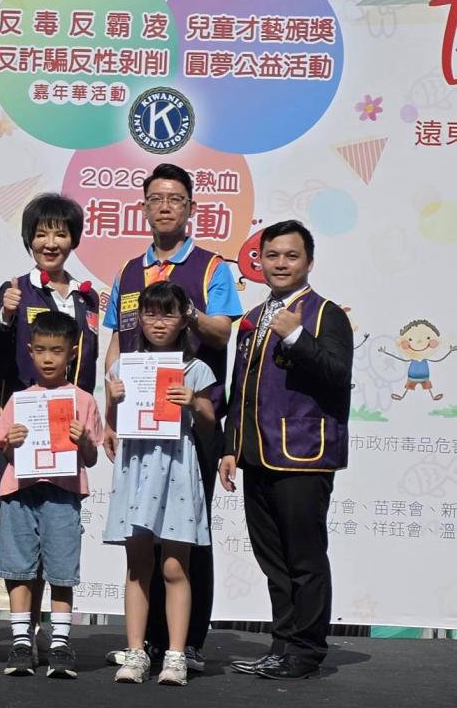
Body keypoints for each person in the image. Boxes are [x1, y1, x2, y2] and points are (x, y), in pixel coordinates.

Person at [102, 163, 241, 672]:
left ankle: (188, 644)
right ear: (144, 207)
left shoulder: (210, 267)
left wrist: (186, 312)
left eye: (175, 199)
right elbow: (117, 339)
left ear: (190, 208)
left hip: (192, 421)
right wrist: (109, 405)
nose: (165, 207)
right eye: (156, 199)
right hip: (138, 423)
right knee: (142, 535)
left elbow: (223, 331)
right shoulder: (127, 271)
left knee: (187, 535)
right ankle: (145, 645)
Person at [219, 220, 353, 680]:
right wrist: (232, 446)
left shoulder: (325, 313)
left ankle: (306, 651)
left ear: (309, 262)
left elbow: (337, 375)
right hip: (256, 454)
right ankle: (281, 645)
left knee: (305, 559)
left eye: (291, 256)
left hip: (303, 455)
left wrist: (297, 337)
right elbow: (241, 388)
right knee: (272, 560)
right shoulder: (253, 317)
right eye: (272, 255)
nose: (280, 264)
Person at [0, 192, 99, 661]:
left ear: (73, 240)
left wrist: (90, 423)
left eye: (61, 233)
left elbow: (87, 364)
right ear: (29, 239)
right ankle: (23, 639)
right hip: (22, 438)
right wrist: (6, 315)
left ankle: (57, 638)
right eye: (42, 233)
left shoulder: (87, 296)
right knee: (22, 543)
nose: (51, 242)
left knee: (59, 541)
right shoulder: (15, 289)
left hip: (67, 442)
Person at [103, 282, 214, 686]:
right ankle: (135, 653)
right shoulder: (124, 366)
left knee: (174, 565)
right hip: (136, 466)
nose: (159, 322)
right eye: (150, 314)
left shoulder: (195, 368)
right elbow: (112, 424)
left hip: (177, 467)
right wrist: (112, 398)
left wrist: (195, 402)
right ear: (139, 319)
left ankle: (176, 655)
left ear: (184, 319)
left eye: (168, 314)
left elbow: (209, 422)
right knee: (138, 564)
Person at [0, 311, 103, 679]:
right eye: (40, 350)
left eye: (56, 350)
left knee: (62, 570)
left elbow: (91, 457)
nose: (48, 358)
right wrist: (11, 442)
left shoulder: (83, 400)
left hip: (62, 494)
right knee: (18, 569)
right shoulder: (19, 400)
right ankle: (21, 641)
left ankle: (60, 643)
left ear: (72, 353)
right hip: (20, 492)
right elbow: (3, 449)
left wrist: (83, 441)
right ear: (30, 351)